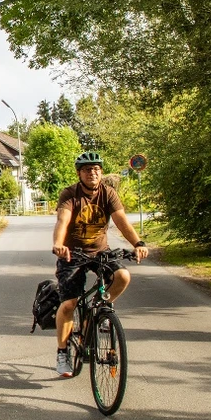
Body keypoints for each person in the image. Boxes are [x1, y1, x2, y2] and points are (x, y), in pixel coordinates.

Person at [51, 151, 148, 377]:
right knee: (69, 304)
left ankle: (97, 308)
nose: (92, 173)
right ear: (79, 174)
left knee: (123, 276)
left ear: (101, 172)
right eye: (87, 170)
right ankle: (63, 352)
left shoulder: (108, 193)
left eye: (96, 169)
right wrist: (58, 243)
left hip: (100, 251)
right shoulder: (70, 194)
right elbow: (62, 220)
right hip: (72, 254)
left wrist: (138, 243)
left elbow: (121, 220)